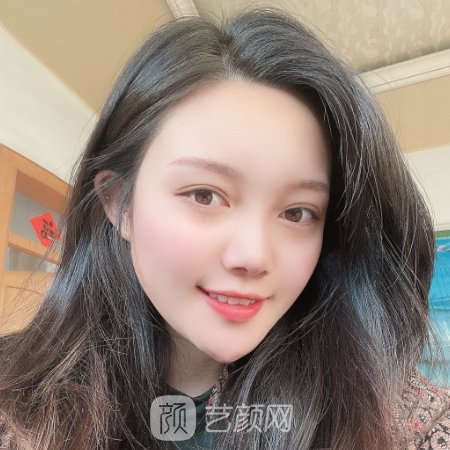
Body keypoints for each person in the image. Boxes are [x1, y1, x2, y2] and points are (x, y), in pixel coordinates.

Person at [0, 8, 448, 450]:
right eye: (204, 195)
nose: (253, 256)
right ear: (119, 203)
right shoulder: (14, 401)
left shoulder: (394, 413)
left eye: (297, 213)